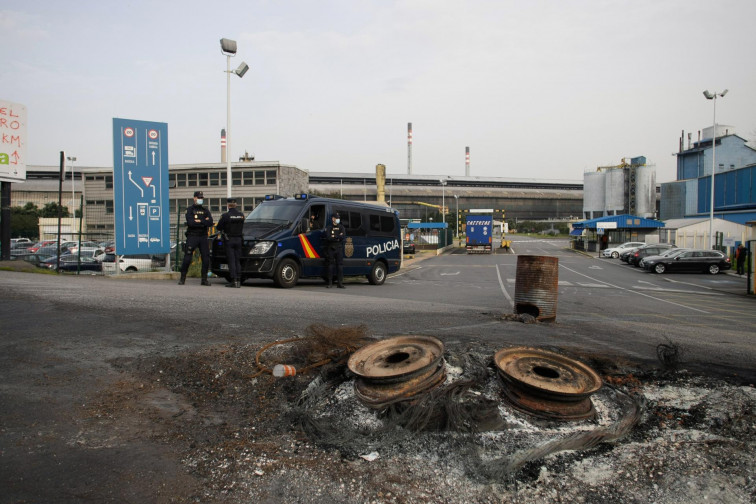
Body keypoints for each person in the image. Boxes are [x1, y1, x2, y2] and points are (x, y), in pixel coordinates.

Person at [178, 191, 214, 286]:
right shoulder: (190, 210)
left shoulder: (205, 210)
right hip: (192, 236)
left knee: (206, 258)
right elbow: (191, 223)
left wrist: (199, 221)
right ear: (194, 198)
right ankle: (182, 278)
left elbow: (210, 222)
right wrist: (203, 221)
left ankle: (204, 279)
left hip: (203, 236)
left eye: (201, 198)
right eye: (199, 198)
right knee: (187, 257)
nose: (200, 199)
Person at [216, 198, 245, 288]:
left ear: (228, 205)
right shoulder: (241, 215)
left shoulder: (225, 216)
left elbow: (219, 227)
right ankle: (239, 280)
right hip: (239, 239)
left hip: (229, 240)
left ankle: (233, 280)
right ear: (236, 205)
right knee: (237, 260)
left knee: (231, 260)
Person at [323, 212, 345, 288]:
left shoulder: (341, 227)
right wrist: (338, 236)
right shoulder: (329, 227)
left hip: (339, 248)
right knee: (330, 266)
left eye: (338, 218)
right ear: (333, 219)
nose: (338, 219)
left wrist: (334, 236)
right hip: (331, 248)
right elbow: (328, 238)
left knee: (340, 266)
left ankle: (340, 283)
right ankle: (330, 283)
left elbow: (343, 237)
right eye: (336, 218)